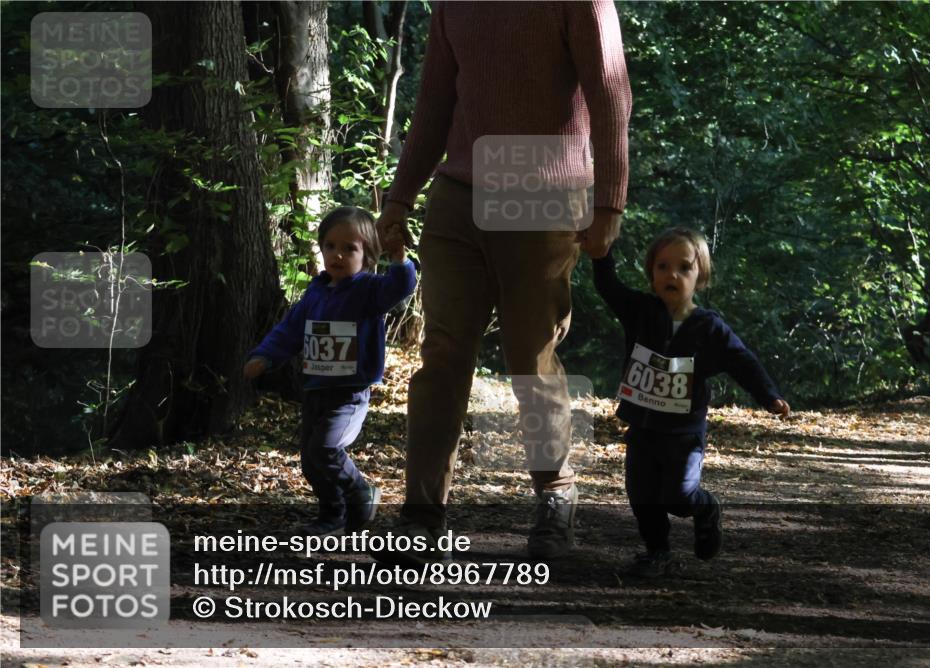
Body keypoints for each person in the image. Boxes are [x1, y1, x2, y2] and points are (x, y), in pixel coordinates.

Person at [373, 0, 632, 564]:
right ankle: (421, 517)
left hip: (541, 194)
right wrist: (399, 197)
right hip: (458, 197)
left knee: (530, 355)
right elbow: (435, 103)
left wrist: (609, 201)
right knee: (442, 353)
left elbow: (610, 93)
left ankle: (555, 492)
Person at [588, 227, 790, 577]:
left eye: (684, 267)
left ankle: (705, 508)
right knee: (642, 494)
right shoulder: (640, 311)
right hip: (643, 428)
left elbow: (743, 361)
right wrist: (601, 252)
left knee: (678, 497)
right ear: (651, 273)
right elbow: (608, 287)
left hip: (683, 432)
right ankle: (657, 552)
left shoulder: (709, 327)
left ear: (701, 276)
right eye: (663, 267)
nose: (672, 275)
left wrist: (768, 395)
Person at [244, 207, 416, 535]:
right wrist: (264, 357)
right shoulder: (316, 293)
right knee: (311, 461)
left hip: (349, 392)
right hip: (316, 388)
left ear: (367, 254)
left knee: (325, 448)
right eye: (331, 246)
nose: (338, 255)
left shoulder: (368, 290)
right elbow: (290, 330)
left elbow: (400, 287)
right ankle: (332, 514)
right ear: (321, 248)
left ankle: (360, 492)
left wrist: (400, 260)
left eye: (350, 248)